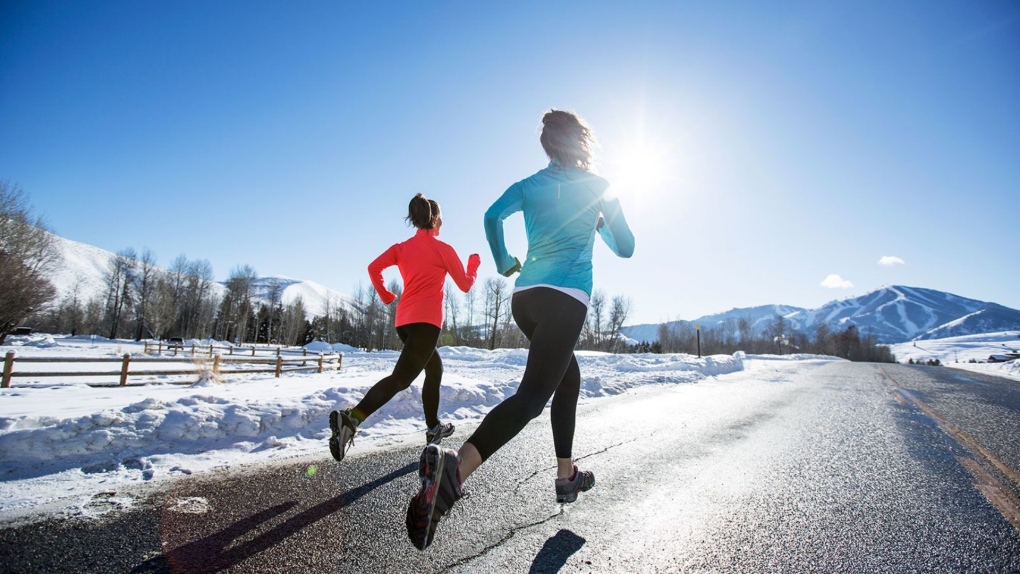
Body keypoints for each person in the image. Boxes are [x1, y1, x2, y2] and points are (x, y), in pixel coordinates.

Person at [406, 110, 635, 549]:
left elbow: (492, 217)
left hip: (525, 299)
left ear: (548, 145)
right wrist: (601, 225)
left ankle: (566, 474)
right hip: (565, 300)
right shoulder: (600, 187)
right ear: (581, 141)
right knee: (533, 396)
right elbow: (626, 248)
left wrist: (503, 261)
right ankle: (455, 471)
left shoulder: (530, 184)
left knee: (568, 377)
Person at [329, 194, 480, 463]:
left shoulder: (402, 248)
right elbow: (466, 285)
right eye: (441, 218)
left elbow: (373, 267)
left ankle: (434, 429)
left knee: (434, 368)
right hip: (426, 325)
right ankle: (350, 419)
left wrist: (386, 295)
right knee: (401, 379)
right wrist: (474, 265)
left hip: (404, 323)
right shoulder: (443, 249)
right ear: (435, 220)